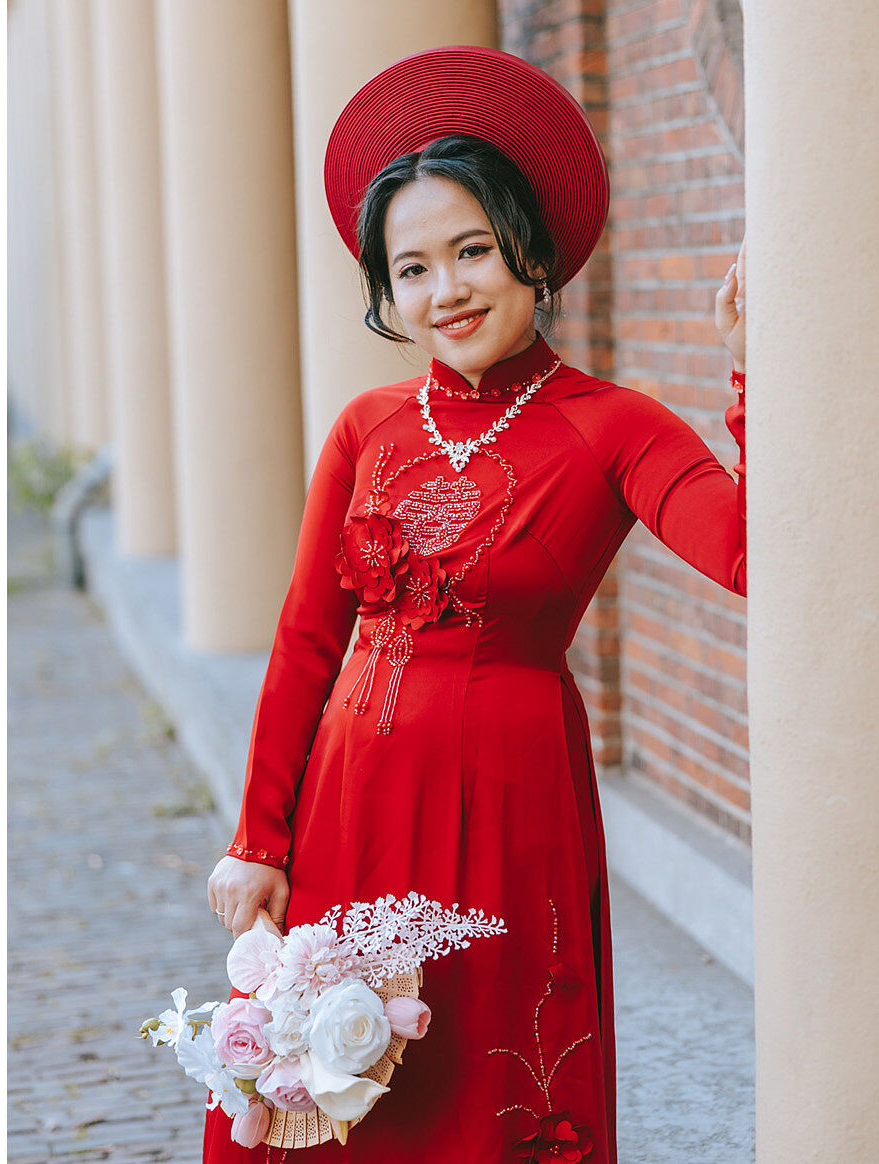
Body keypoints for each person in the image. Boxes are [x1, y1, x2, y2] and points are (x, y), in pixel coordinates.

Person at [203, 47, 744, 1162]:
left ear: (530, 256)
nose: (444, 290)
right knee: (337, 1072)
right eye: (411, 269)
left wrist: (753, 378)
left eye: (471, 252)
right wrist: (259, 836)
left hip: (510, 805)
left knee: (488, 1072)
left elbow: (749, 553)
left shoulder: (614, 427)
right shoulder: (366, 428)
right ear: (385, 293)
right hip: (349, 804)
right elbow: (308, 638)